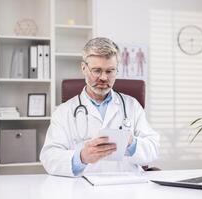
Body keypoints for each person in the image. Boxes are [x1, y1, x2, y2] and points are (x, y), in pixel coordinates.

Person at [40, 37, 160, 177]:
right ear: (83, 68)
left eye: (110, 71)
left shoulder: (132, 106)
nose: (104, 77)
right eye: (97, 70)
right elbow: (49, 157)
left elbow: (153, 148)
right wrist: (81, 157)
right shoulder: (63, 112)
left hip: (128, 186)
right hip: (84, 189)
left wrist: (131, 143)